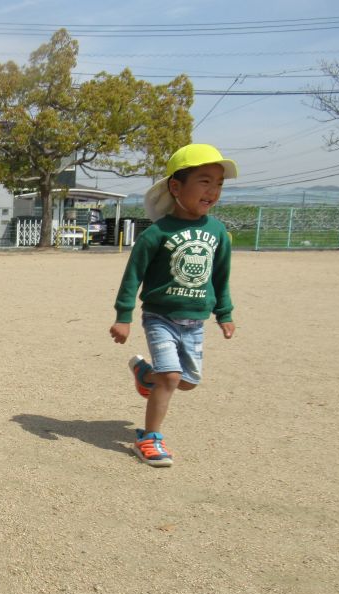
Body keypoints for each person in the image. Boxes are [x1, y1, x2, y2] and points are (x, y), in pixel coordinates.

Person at [109, 143, 237, 467]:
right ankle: (149, 439)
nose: (213, 190)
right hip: (160, 317)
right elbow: (132, 275)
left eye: (219, 183)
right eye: (205, 181)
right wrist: (123, 316)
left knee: (186, 382)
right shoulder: (157, 234)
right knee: (170, 378)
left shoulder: (218, 232)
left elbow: (221, 276)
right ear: (176, 187)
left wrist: (225, 312)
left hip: (195, 321)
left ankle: (144, 374)